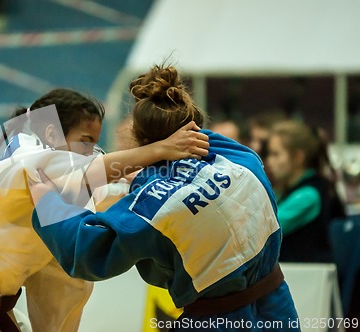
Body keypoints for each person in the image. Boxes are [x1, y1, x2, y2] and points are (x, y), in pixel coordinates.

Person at [0, 88, 209, 332]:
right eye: (85, 141)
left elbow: (116, 189)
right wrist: (157, 150)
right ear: (51, 132)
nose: (92, 151)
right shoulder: (19, 154)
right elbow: (75, 170)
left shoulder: (69, 183)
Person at [29, 66, 300, 331]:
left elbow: (87, 249)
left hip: (217, 321)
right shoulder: (242, 157)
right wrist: (144, 170)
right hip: (278, 307)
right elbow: (195, 159)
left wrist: (47, 201)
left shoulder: (153, 205)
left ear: (139, 139)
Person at [265, 120, 346, 262]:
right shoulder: (284, 191)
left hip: (307, 278)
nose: (269, 161)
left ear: (298, 157)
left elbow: (266, 228)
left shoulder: (309, 194)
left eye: (276, 154)